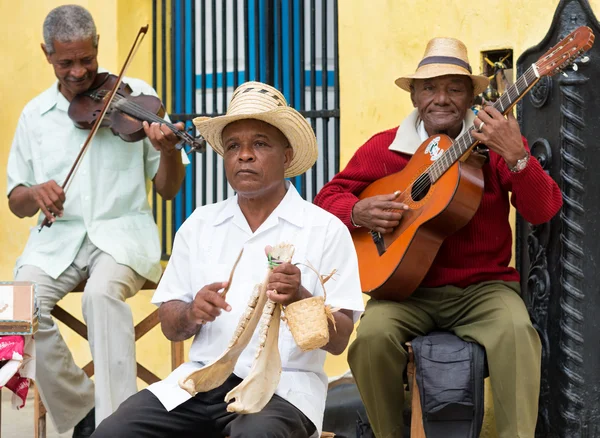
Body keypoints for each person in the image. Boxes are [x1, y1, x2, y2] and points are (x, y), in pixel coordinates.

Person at [313, 37, 563, 438]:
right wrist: (357, 211)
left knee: (518, 335)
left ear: (470, 97)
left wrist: (517, 156)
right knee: (371, 340)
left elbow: (545, 209)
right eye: (429, 87)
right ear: (414, 95)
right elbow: (326, 199)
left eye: (454, 88)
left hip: (483, 289)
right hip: (404, 293)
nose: (441, 98)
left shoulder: (493, 144)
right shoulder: (384, 148)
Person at [91, 81, 365, 438]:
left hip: (282, 390)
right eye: (233, 146)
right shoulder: (200, 224)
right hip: (200, 381)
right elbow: (170, 325)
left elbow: (340, 339)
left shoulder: (325, 229)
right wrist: (191, 313)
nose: (244, 155)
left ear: (286, 155)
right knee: (114, 433)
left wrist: (300, 298)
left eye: (260, 144)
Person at [6, 5, 187, 437]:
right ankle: (83, 409)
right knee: (11, 308)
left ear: (98, 47)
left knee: (101, 296)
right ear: (47, 54)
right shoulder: (35, 116)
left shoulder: (136, 97)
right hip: (57, 243)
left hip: (121, 238)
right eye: (66, 62)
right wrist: (35, 193)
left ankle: (119, 425)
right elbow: (16, 201)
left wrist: (167, 150)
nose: (78, 71)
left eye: (87, 59)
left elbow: (168, 190)